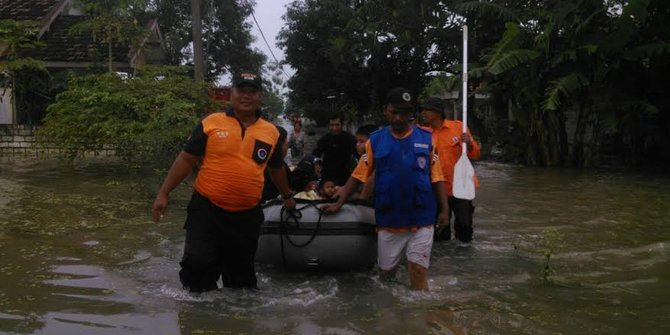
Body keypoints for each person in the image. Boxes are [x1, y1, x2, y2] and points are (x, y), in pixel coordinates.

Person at [151, 71, 296, 292]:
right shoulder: (211, 123)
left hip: (246, 217)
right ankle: (197, 319)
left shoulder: (271, 132)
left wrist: (287, 197)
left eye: (252, 91)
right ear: (232, 93)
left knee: (241, 285)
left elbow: (276, 170)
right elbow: (186, 159)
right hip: (206, 210)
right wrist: (164, 193)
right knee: (197, 269)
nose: (246, 96)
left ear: (260, 96)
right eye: (241, 90)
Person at [322, 88, 449, 290]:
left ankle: (419, 317)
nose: (399, 118)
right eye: (394, 112)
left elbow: (437, 175)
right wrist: (340, 202)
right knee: (386, 276)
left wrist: (444, 209)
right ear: (385, 111)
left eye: (404, 113)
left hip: (422, 215)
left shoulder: (427, 139)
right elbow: (359, 173)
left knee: (417, 272)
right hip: (389, 217)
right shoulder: (376, 141)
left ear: (411, 114)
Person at [420, 97, 481, 243]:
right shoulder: (422, 134)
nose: (423, 113)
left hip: (461, 186)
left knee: (464, 228)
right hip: (436, 189)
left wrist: (469, 144)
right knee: (439, 233)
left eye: (427, 110)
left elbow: (476, 154)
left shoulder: (459, 127)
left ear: (438, 112)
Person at [312, 114, 357, 186]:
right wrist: (317, 164)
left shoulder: (350, 139)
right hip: (327, 175)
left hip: (344, 174)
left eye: (337, 125)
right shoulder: (325, 139)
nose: (334, 128)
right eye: (332, 125)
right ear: (328, 126)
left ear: (342, 125)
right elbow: (316, 153)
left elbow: (359, 154)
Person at [261, 126, 290, 202]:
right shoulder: (277, 167)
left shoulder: (259, 160)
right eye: (287, 143)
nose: (287, 147)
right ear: (280, 146)